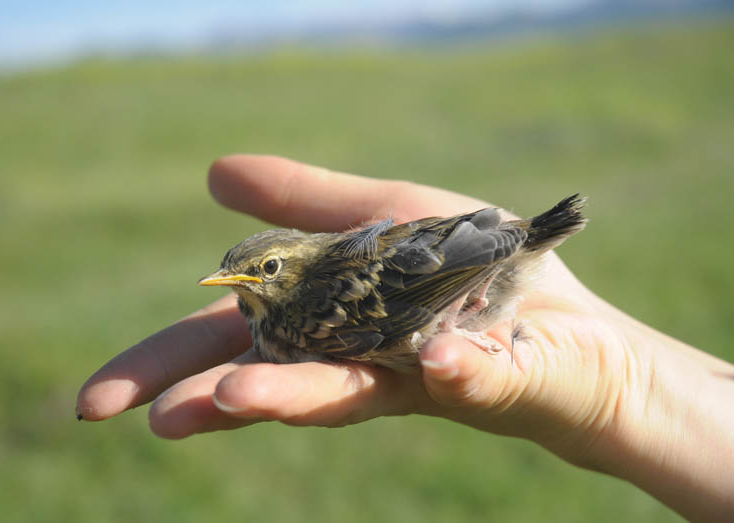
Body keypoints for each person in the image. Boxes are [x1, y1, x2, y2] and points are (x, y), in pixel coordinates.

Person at [76, 155, 734, 522]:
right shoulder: (279, 308)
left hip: (462, 279)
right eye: (241, 275)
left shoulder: (302, 317)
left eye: (263, 270)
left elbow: (411, 293)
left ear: (292, 266)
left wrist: (499, 256)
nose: (245, 283)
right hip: (472, 253)